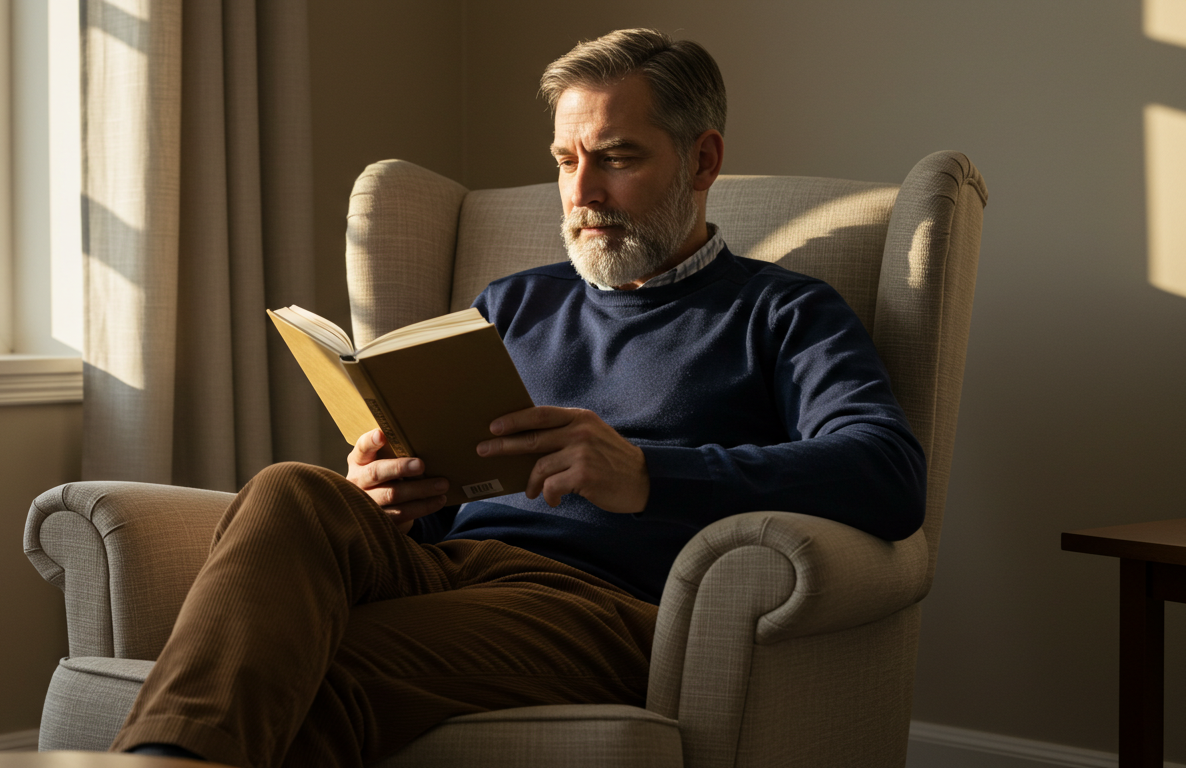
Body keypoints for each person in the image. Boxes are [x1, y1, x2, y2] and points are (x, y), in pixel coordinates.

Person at [110, 28, 926, 768]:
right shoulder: (514, 303)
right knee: (293, 488)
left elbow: (886, 472)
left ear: (702, 160)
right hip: (451, 568)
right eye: (568, 162)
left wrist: (647, 474)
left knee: (309, 666)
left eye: (617, 157)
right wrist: (396, 494)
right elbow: (457, 486)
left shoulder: (782, 313)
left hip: (601, 607)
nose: (583, 193)